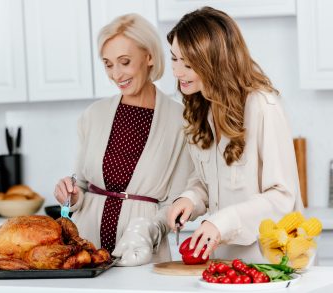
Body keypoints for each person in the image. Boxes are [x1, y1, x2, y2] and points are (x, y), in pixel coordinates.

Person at [166, 7, 303, 263]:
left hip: (268, 262)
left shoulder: (262, 105)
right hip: (224, 263)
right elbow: (207, 180)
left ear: (214, 61)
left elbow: (282, 196)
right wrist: (190, 199)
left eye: (188, 63)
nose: (177, 72)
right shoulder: (199, 108)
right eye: (174, 58)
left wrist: (223, 222)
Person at [54, 13, 193, 266]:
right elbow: (81, 186)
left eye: (125, 62)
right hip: (87, 250)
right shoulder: (93, 115)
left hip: (143, 253)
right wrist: (71, 195)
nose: (116, 74)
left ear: (149, 56)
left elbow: (177, 202)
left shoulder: (181, 121)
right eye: (108, 64)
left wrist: (147, 230)